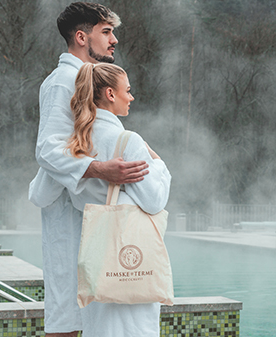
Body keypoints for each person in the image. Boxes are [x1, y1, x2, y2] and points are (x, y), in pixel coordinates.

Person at [27, 3, 148, 337]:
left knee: (93, 310)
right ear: (82, 37)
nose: (114, 41)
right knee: (67, 312)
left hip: (91, 209)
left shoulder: (89, 78)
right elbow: (46, 149)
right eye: (106, 32)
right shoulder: (62, 82)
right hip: (67, 213)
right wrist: (99, 169)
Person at [65, 62, 170, 336]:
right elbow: (154, 200)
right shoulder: (128, 141)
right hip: (129, 255)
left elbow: (39, 192)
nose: (131, 97)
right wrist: (159, 164)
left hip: (95, 255)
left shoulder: (75, 141)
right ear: (111, 94)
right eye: (128, 90)